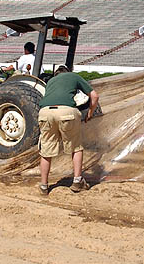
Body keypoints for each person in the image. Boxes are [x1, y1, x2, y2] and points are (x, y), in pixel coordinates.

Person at [37, 64, 99, 196]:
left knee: (46, 151)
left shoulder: (50, 82)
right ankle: (77, 181)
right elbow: (94, 96)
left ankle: (43, 186)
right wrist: (90, 113)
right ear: (67, 72)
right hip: (66, 112)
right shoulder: (73, 76)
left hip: (45, 113)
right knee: (76, 147)